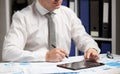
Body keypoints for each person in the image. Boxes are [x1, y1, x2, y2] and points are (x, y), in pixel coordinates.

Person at [2, 0, 100, 62]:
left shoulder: (68, 13)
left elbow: (83, 37)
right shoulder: (22, 17)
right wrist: (45, 56)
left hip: (63, 70)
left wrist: (91, 48)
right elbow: (8, 53)